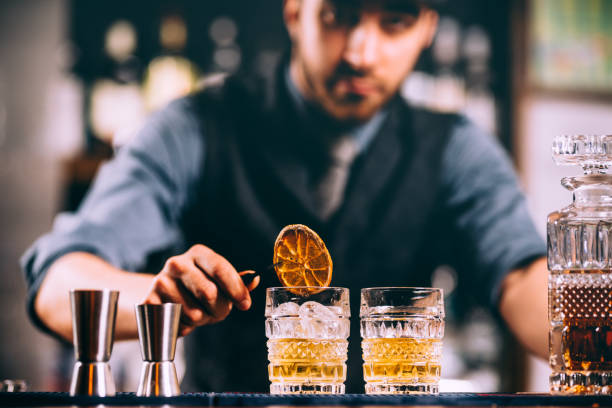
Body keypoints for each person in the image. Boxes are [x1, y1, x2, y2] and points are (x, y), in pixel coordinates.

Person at [22, 0, 549, 392]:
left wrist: (587, 317)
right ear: (296, 10)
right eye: (338, 14)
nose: (361, 53)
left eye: (395, 20)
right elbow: (56, 282)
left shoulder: (455, 149)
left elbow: (522, 277)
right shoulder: (198, 127)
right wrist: (158, 298)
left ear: (427, 29)